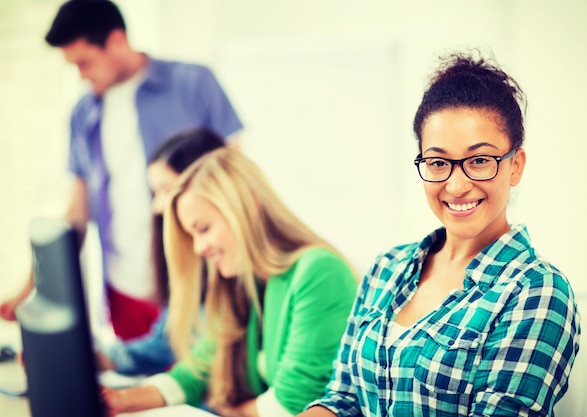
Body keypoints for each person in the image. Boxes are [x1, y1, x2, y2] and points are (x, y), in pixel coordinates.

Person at [299, 51, 581, 416]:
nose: (457, 184)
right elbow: (344, 399)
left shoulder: (536, 292)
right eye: (438, 162)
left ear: (515, 166)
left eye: (480, 160)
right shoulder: (387, 267)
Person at [0, 0, 243, 342]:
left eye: (84, 62)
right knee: (134, 381)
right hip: (125, 291)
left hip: (200, 283)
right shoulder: (83, 114)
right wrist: (31, 286)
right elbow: (76, 213)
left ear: (116, 41)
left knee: (198, 385)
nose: (81, 75)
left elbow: (237, 180)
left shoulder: (194, 84)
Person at [102, 148, 358, 417]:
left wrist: (232, 412)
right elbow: (196, 372)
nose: (199, 248)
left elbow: (292, 403)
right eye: (193, 236)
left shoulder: (318, 271)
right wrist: (119, 400)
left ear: (246, 205)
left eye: (203, 229)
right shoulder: (243, 284)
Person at [96, 127, 225, 376]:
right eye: (155, 193)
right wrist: (95, 358)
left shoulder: (232, 265)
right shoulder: (193, 262)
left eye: (167, 190)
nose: (157, 207)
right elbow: (163, 344)